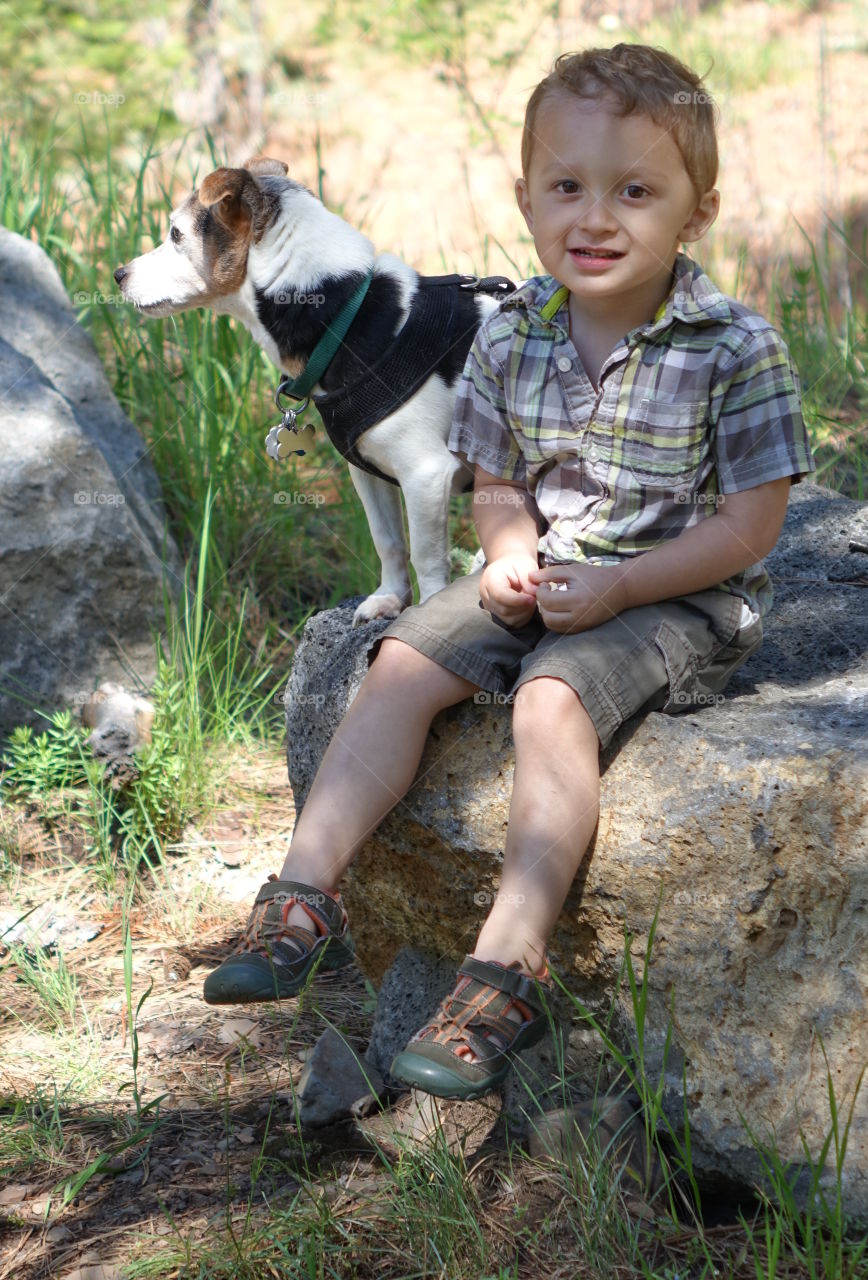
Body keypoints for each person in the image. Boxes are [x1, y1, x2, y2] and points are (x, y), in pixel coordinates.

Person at [202, 43, 814, 1101]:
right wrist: (508, 549)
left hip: (678, 590)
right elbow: (496, 482)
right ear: (525, 195)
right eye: (567, 186)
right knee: (398, 661)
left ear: (697, 212)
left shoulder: (733, 345)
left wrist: (624, 586)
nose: (596, 215)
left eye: (635, 191)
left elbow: (752, 524)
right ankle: (301, 897)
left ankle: (507, 970)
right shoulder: (511, 333)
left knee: (546, 698)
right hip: (551, 570)